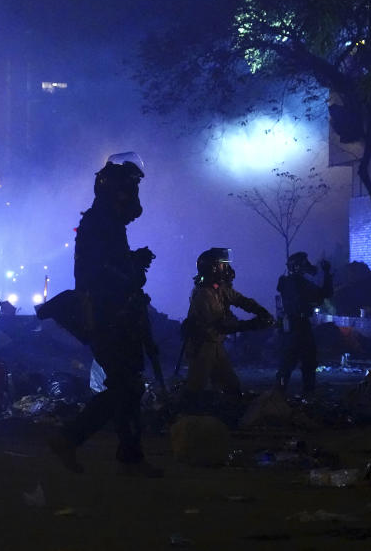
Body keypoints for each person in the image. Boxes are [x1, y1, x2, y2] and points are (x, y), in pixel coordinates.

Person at [48, 152, 162, 477]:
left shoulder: (105, 221)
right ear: (117, 190)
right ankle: (70, 438)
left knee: (127, 384)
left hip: (114, 313)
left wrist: (130, 263)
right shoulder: (102, 222)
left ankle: (130, 456)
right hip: (107, 315)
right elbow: (101, 272)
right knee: (124, 386)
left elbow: (110, 264)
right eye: (131, 188)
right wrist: (133, 269)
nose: (135, 197)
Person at [183, 247, 274, 402]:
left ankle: (227, 415)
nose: (226, 268)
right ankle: (184, 418)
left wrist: (261, 312)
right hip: (203, 346)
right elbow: (222, 325)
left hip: (216, 344)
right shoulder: (204, 294)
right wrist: (253, 324)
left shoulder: (218, 288)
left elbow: (240, 300)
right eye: (222, 265)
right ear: (212, 267)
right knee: (195, 388)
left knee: (231, 385)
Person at [275, 251, 332, 396]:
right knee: (306, 362)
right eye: (304, 264)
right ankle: (307, 392)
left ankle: (279, 393)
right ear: (296, 267)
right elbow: (325, 293)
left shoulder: (285, 282)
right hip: (300, 326)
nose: (307, 266)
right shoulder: (298, 283)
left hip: (291, 327)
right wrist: (327, 273)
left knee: (289, 364)